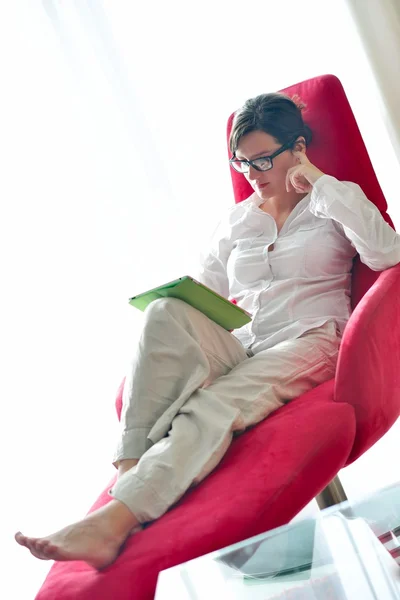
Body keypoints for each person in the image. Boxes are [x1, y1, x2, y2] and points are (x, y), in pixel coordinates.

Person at [15, 92, 400, 570]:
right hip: (245, 344)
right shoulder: (238, 221)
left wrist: (318, 181)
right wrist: (181, 311)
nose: (253, 175)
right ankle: (131, 472)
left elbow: (387, 255)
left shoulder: (335, 199)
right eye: (242, 163)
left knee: (213, 401)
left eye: (263, 160)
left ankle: (116, 520)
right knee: (163, 313)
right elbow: (204, 295)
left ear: (297, 148)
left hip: (310, 340)